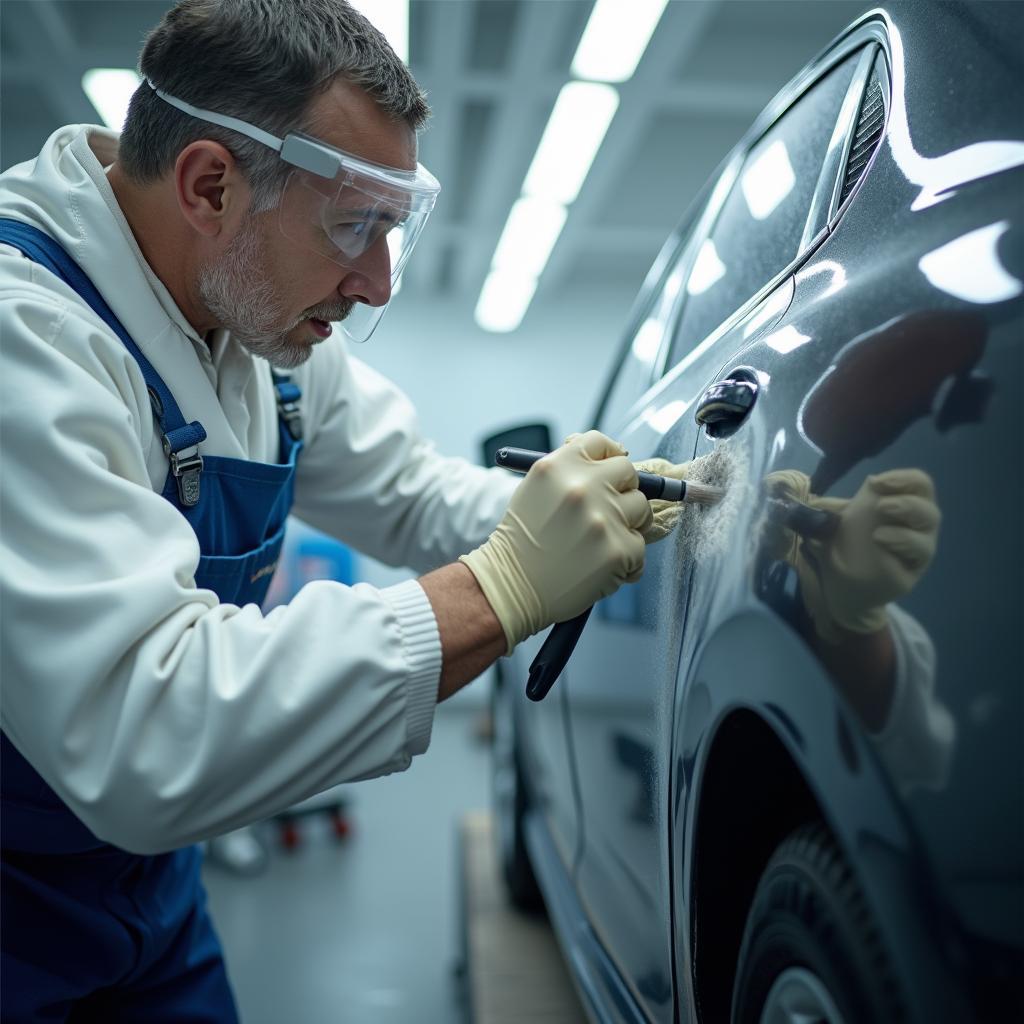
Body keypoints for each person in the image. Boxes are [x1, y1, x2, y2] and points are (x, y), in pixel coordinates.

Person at [0, 1, 664, 1018]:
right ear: (211, 184)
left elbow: (419, 496)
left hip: (147, 888)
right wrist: (501, 587)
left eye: (390, 230)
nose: (376, 280)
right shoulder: (28, 338)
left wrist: (649, 515)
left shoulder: (264, 333)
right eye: (354, 226)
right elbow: (144, 721)